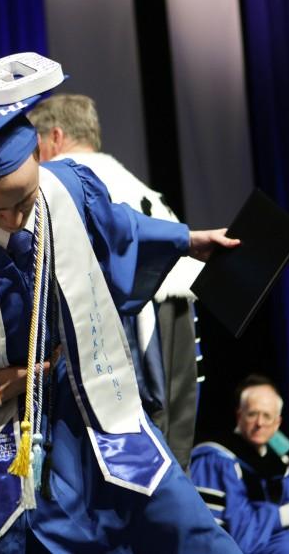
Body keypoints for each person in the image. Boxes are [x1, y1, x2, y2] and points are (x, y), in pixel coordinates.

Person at [0, 53, 243, 552]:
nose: (15, 219)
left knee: (186, 528)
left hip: (85, 407)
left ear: (39, 154)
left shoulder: (69, 190)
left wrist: (188, 241)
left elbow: (120, 230)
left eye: (25, 200)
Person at [28, 93, 204, 470]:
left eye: (33, 145)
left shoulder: (64, 183)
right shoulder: (141, 189)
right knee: (170, 455)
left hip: (128, 332)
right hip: (177, 325)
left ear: (54, 138)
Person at [190, 382, 289, 553]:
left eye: (267, 416)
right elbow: (227, 537)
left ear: (277, 423)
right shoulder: (216, 460)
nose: (259, 423)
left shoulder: (283, 467)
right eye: (252, 414)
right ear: (239, 416)